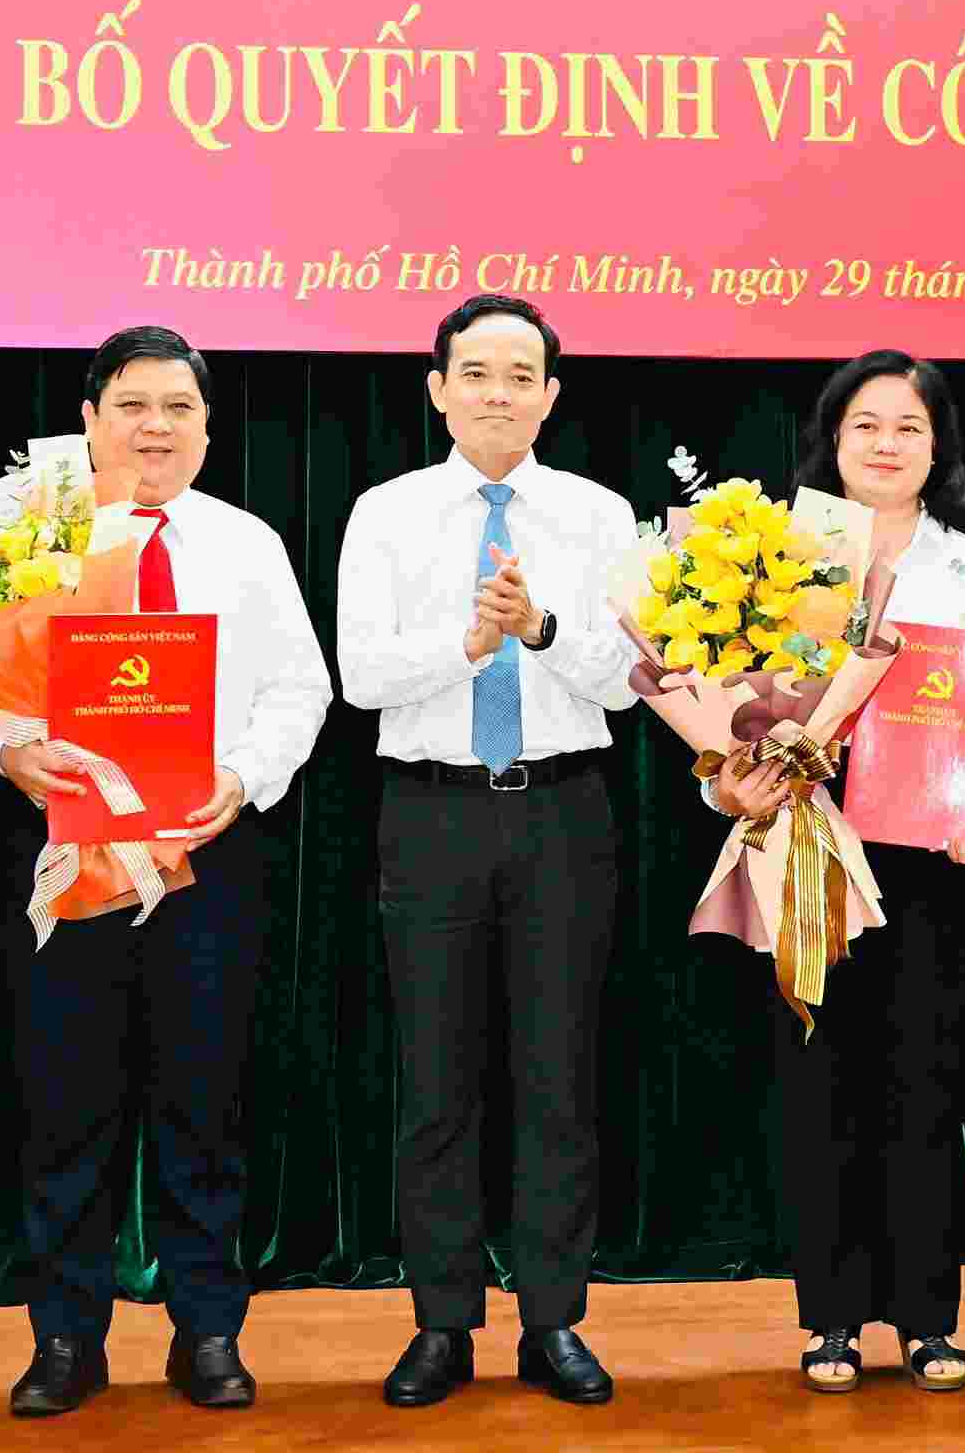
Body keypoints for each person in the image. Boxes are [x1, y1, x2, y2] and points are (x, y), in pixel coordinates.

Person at [0, 326, 332, 1419]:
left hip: (206, 858)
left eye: (179, 409)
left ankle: (208, 1332)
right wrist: (2, 751)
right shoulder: (19, 535)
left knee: (206, 1101)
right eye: (133, 406)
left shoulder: (245, 543)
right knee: (65, 1103)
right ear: (89, 417)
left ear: (208, 427)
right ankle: (65, 1338)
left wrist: (243, 779)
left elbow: (300, 689)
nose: (156, 428)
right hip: (61, 849)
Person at [705, 350, 965, 1396]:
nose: (886, 444)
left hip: (933, 851)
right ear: (833, 437)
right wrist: (734, 784)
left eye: (909, 426)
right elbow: (721, 692)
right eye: (866, 424)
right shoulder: (773, 558)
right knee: (821, 1085)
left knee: (924, 1084)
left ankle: (928, 1319)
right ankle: (832, 1320)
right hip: (806, 843)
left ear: (939, 446)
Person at [336, 295, 640, 1409]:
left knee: (558, 1079)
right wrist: (468, 643)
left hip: (563, 812)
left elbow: (628, 683)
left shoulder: (599, 515)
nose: (498, 394)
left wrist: (539, 630)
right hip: (432, 814)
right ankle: (441, 1321)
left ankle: (552, 1320)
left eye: (521, 376)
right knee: (437, 1082)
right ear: (438, 389)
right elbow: (361, 676)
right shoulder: (386, 512)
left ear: (551, 396)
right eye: (475, 373)